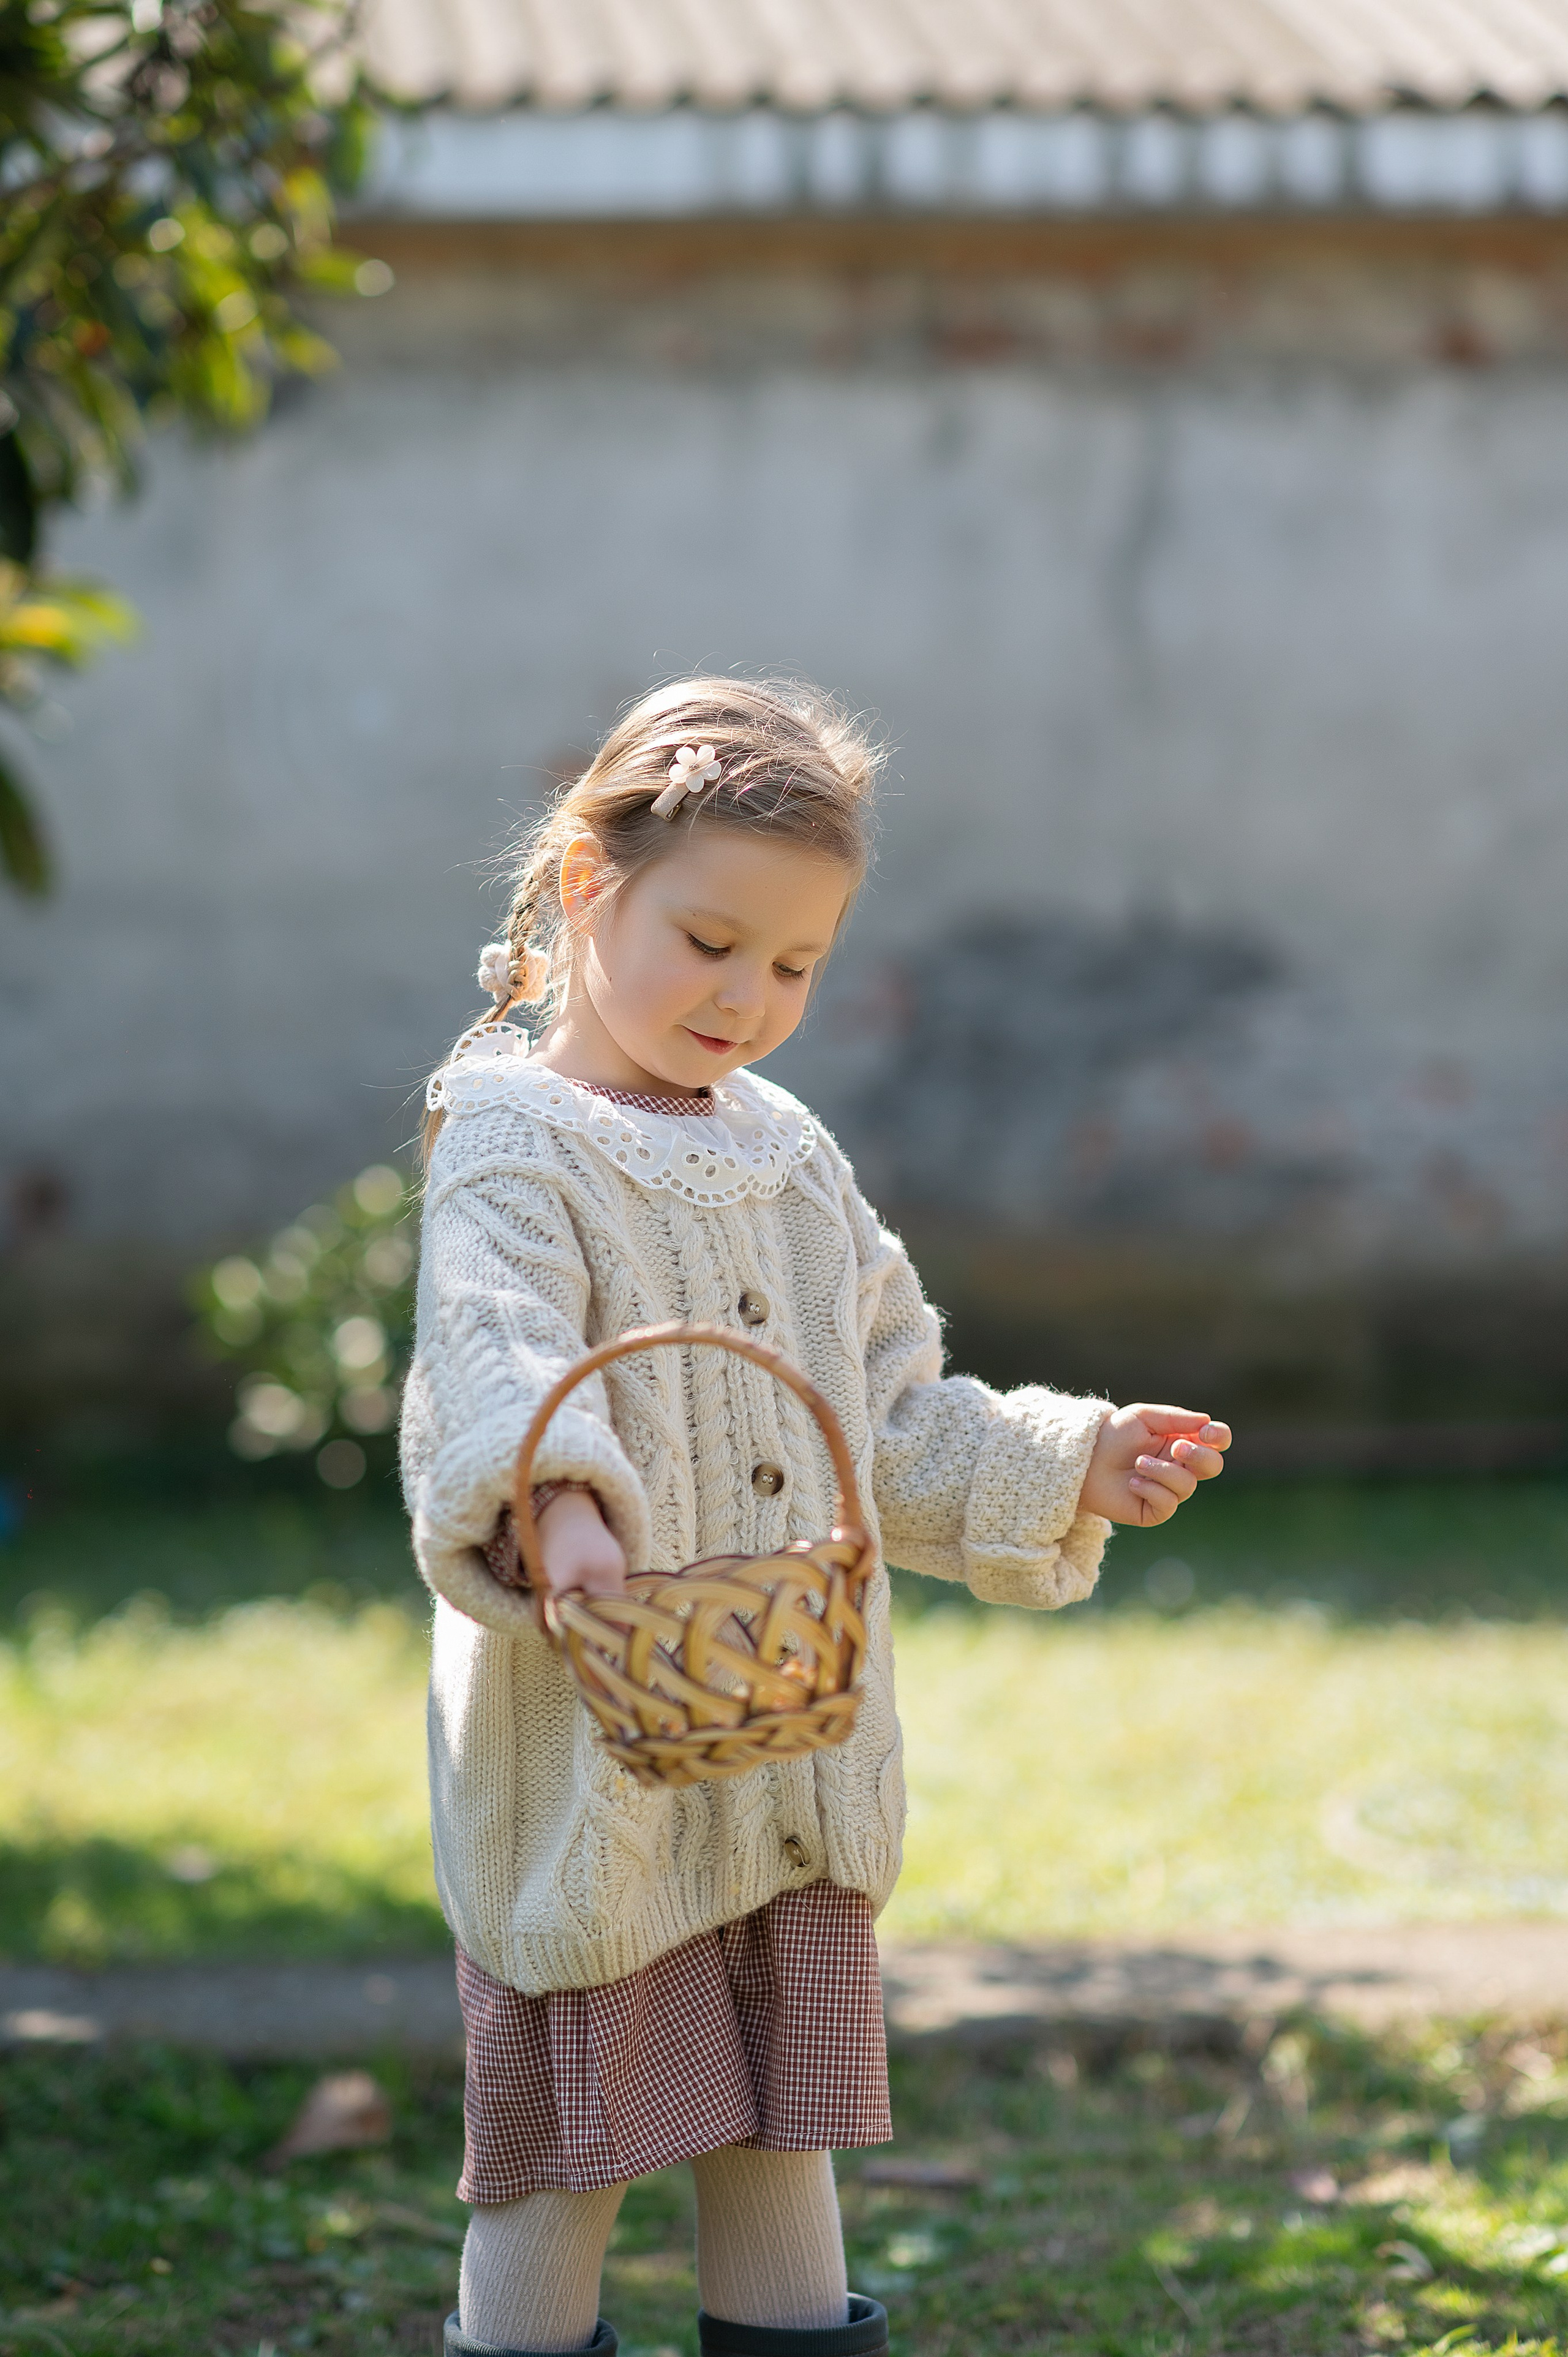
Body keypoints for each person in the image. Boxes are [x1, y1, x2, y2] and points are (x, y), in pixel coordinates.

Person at [403, 678, 1232, 2357]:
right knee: (567, 2162)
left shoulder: (788, 1154)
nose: (748, 1000)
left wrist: (1066, 1460)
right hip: (601, 1768)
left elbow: (885, 1416)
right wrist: (562, 1514)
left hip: (785, 1751)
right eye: (710, 941)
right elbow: (501, 1353)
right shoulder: (508, 1138)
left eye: (795, 966)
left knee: (784, 2136)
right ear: (586, 887)